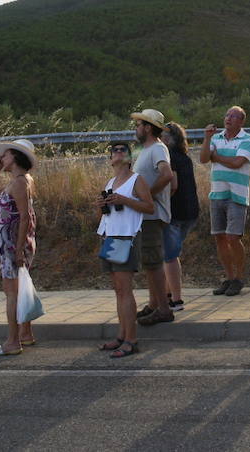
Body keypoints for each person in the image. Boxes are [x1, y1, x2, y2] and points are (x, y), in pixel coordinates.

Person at [97, 142, 155, 359]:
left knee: (125, 288)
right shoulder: (111, 181)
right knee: (118, 289)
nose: (118, 152)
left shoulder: (136, 179)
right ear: (111, 159)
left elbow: (150, 207)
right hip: (110, 235)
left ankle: (131, 340)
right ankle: (122, 335)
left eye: (123, 150)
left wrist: (124, 200)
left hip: (127, 236)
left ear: (130, 158)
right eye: (115, 150)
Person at [201, 105, 250, 296]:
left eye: (233, 116)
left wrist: (215, 156)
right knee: (220, 237)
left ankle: (239, 278)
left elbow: (237, 163)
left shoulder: (247, 139)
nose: (228, 118)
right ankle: (229, 277)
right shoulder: (215, 138)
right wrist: (207, 138)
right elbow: (202, 158)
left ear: (241, 121)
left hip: (237, 195)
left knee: (233, 237)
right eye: (227, 115)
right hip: (217, 193)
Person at [0, 139, 37, 356]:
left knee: (11, 293)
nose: (2, 158)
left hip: (12, 245)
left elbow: (25, 218)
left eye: (6, 155)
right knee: (20, 289)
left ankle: (12, 341)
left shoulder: (19, 183)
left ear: (16, 157)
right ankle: (25, 334)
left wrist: (17, 249)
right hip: (11, 244)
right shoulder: (18, 180)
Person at [130, 109, 175, 327]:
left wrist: (149, 195)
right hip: (147, 215)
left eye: (139, 124)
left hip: (152, 215)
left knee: (154, 262)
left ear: (147, 128)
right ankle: (154, 304)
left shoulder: (157, 148)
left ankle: (163, 309)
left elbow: (167, 175)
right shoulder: (147, 149)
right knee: (150, 262)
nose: (136, 128)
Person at [160, 121, 199, 311]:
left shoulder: (170, 157)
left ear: (168, 138)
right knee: (172, 254)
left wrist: (156, 199)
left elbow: (173, 186)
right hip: (190, 212)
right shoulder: (185, 157)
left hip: (175, 212)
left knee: (169, 256)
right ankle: (167, 295)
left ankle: (175, 299)